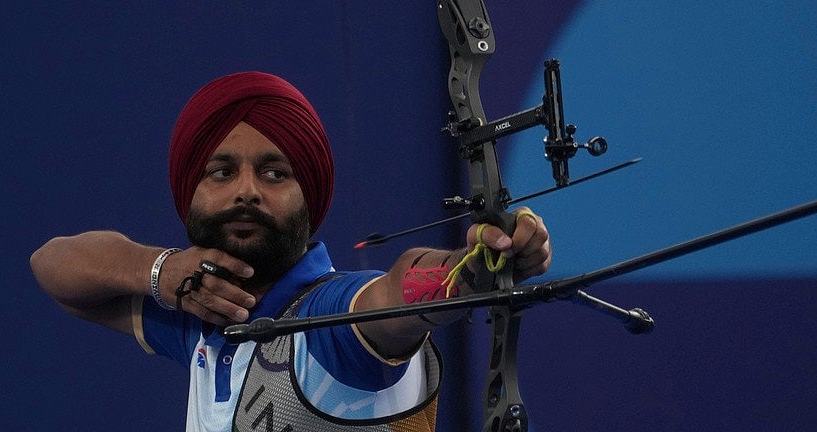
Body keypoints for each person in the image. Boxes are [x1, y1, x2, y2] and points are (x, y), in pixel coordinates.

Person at [30, 71, 551, 432]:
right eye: (221, 171)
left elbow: (396, 295)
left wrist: (472, 271)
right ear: (190, 189)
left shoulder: (330, 320)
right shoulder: (204, 314)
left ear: (311, 197)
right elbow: (54, 267)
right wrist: (160, 270)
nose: (247, 191)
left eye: (276, 173)